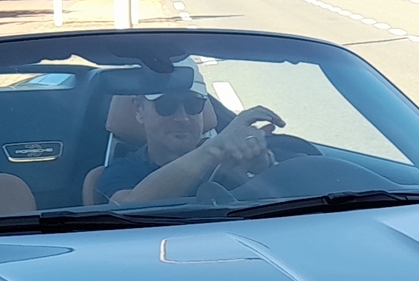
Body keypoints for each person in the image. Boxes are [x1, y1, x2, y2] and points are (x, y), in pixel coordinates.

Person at [83, 86, 280, 207]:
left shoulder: (231, 156)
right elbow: (127, 206)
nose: (182, 117)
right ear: (139, 109)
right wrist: (213, 150)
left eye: (193, 105)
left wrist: (263, 167)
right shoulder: (120, 172)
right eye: (166, 106)